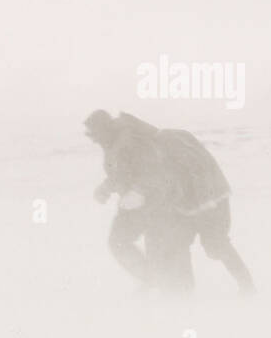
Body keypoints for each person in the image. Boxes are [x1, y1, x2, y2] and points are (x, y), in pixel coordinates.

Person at [84, 109, 254, 295]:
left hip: (207, 200)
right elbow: (129, 173)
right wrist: (108, 188)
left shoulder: (142, 142)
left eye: (94, 134)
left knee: (214, 245)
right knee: (176, 243)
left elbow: (154, 174)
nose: (93, 139)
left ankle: (246, 285)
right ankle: (181, 292)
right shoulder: (120, 144)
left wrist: (139, 192)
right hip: (179, 203)